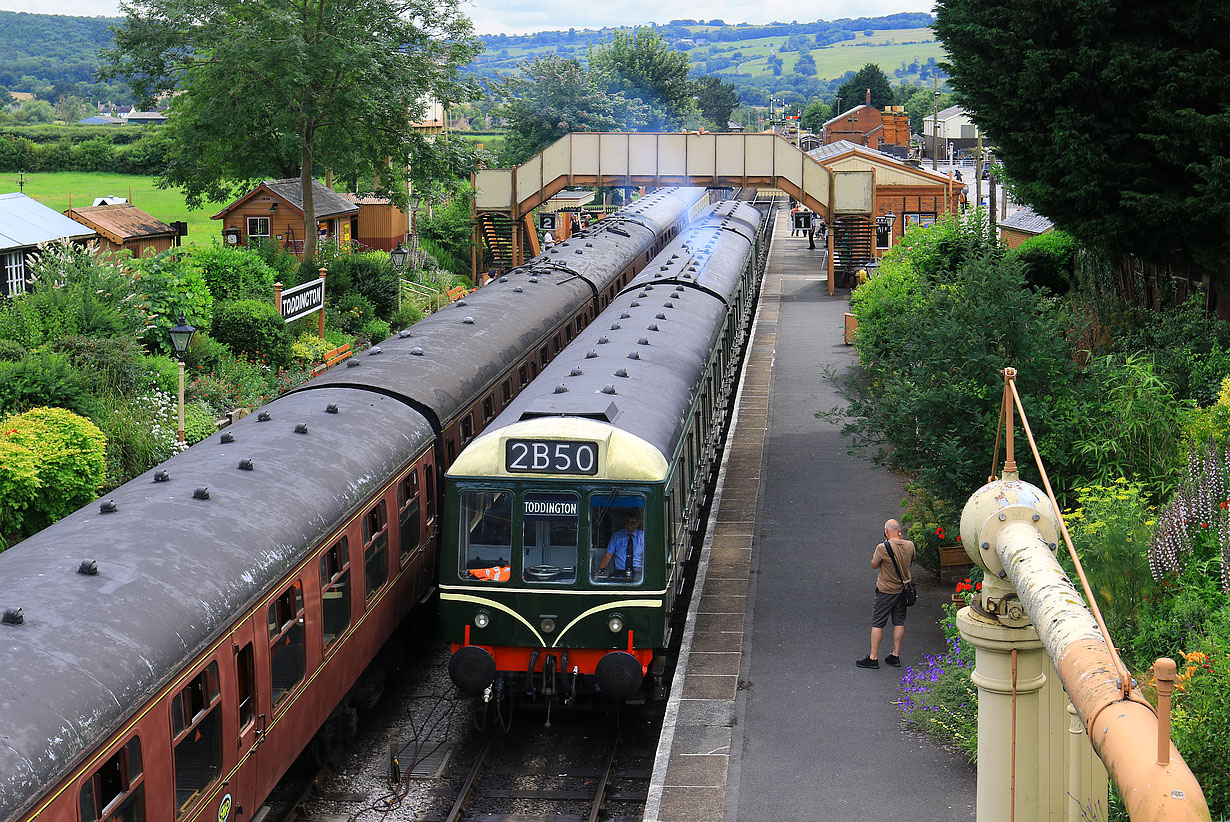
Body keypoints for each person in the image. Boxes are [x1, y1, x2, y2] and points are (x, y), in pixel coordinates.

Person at [857, 518, 916, 669]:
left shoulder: (882, 547)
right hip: (903, 591)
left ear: (886, 531)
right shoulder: (910, 545)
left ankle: (873, 657)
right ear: (900, 531)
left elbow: (874, 564)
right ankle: (895, 655)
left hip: (885, 591)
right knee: (899, 622)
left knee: (878, 623)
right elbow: (912, 559)